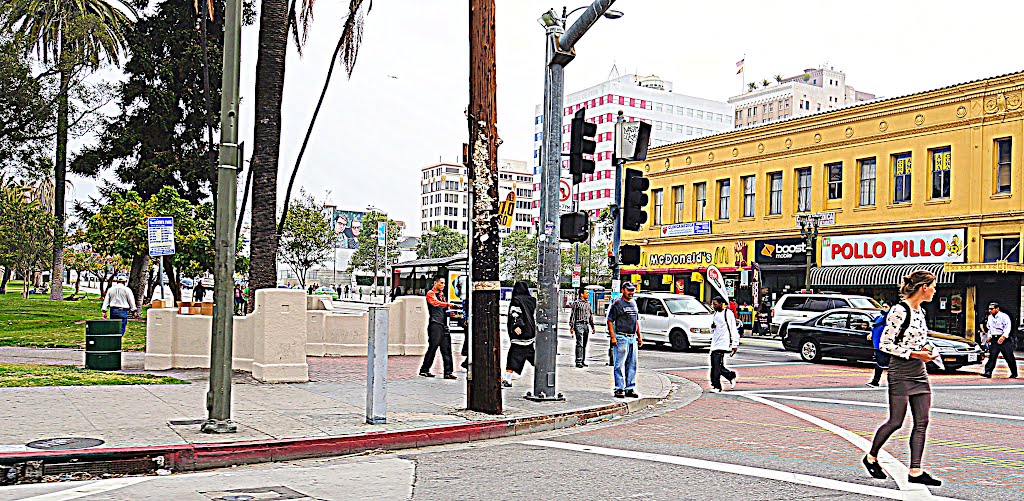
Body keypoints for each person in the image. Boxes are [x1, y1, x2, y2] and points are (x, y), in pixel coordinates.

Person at [863, 270, 942, 487]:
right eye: (933, 286)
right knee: (896, 421)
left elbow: (921, 340)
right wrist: (917, 354)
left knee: (922, 421)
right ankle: (871, 457)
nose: (935, 291)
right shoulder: (899, 310)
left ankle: (915, 471)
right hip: (900, 371)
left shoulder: (920, 312)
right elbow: (885, 344)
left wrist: (928, 350)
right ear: (923, 287)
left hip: (919, 371)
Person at [606, 282, 642, 398]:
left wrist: (639, 336)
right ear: (623, 290)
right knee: (619, 364)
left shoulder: (633, 303)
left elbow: (636, 321)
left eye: (633, 291)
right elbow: (610, 320)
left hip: (632, 338)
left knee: (632, 364)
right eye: (629, 290)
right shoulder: (617, 304)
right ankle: (619, 388)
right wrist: (613, 337)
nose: (631, 293)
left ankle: (630, 388)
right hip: (621, 337)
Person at [419, 277, 457, 379]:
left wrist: (450, 314)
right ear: (435, 283)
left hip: (443, 324)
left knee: (446, 348)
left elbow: (442, 310)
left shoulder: (442, 295)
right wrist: (448, 304)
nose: (443, 285)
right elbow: (435, 303)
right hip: (435, 324)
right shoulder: (430, 294)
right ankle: (424, 370)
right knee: (433, 347)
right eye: (441, 283)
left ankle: (448, 372)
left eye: (444, 283)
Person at [504, 281, 537, 387]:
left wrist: (517, 325)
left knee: (512, 358)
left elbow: (515, 313)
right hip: (530, 333)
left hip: (520, 334)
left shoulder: (516, 300)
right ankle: (544, 375)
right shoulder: (532, 300)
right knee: (535, 358)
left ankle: (508, 380)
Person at [709, 296, 740, 393]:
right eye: (713, 304)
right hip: (715, 343)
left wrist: (735, 344)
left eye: (715, 304)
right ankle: (730, 376)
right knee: (715, 365)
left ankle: (717, 387)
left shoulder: (728, 313)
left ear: (721, 303)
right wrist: (712, 327)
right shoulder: (715, 314)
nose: (713, 306)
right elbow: (713, 330)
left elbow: (733, 329)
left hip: (723, 343)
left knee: (716, 365)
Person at [982, 302, 1018, 378]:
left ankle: (1014, 373)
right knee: (992, 356)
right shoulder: (990, 317)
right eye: (989, 309)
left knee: (1009, 356)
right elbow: (989, 328)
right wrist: (989, 336)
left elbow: (1008, 327)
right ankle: (988, 372)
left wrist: (1003, 337)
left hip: (1004, 339)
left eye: (992, 309)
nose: (990, 310)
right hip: (994, 339)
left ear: (997, 309)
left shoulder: (1004, 316)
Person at [867, 303, 892, 387]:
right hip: (877, 343)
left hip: (883, 344)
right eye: (883, 306)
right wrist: (871, 333)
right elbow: (875, 326)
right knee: (881, 362)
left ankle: (875, 381)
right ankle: (875, 381)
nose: (884, 308)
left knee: (881, 363)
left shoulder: (889, 317)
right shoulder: (880, 316)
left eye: (886, 307)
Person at [569, 288, 595, 368]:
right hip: (578, 324)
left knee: (584, 344)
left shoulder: (588, 303)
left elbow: (590, 315)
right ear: (581, 294)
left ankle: (583, 360)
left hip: (586, 325)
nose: (588, 294)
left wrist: (592, 326)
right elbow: (573, 315)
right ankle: (578, 361)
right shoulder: (576, 303)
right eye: (586, 293)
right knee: (579, 343)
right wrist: (572, 326)